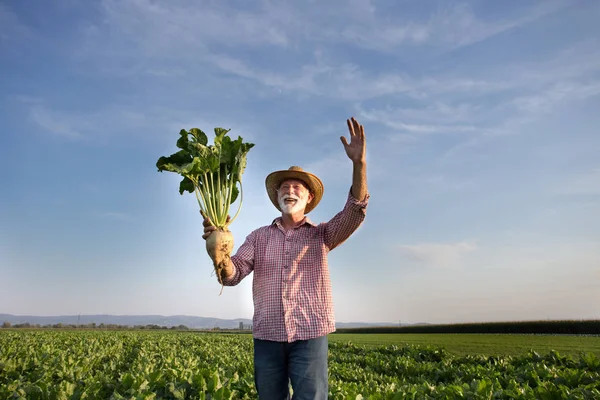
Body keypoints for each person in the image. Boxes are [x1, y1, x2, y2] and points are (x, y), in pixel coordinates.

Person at [201, 117, 369, 399]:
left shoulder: (323, 235)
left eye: (297, 188)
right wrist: (219, 251)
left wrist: (359, 164)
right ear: (277, 195)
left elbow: (355, 211)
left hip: (310, 333)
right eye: (285, 188)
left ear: (308, 197)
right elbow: (235, 273)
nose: (290, 191)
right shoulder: (258, 237)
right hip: (268, 336)